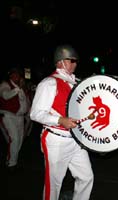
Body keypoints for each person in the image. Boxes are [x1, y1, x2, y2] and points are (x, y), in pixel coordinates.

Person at [30, 44, 94, 200]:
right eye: (71, 60)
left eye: (76, 61)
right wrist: (59, 120)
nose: (75, 64)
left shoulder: (76, 83)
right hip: (56, 139)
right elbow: (36, 114)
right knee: (54, 184)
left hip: (75, 139)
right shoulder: (49, 83)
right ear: (60, 61)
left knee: (86, 177)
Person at [0, 67, 28, 172]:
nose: (17, 76)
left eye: (18, 74)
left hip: (19, 117)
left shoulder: (19, 87)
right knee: (14, 139)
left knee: (19, 140)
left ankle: (13, 161)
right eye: (15, 74)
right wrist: (18, 88)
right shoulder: (5, 85)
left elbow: (24, 102)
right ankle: (11, 163)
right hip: (8, 116)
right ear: (10, 75)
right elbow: (6, 96)